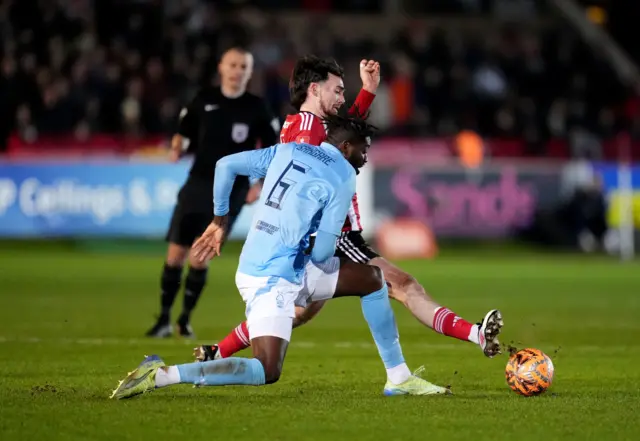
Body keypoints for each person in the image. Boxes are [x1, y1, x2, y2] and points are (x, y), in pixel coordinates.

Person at [111, 114, 450, 399]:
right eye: (364, 150)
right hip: (271, 278)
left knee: (372, 279)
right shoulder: (343, 175)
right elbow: (320, 253)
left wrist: (220, 219)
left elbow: (226, 165)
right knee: (266, 370)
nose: (365, 158)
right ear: (346, 148)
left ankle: (399, 378)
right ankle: (161, 375)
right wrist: (315, 243)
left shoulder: (288, 150)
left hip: (269, 264)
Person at [197, 55, 504, 362]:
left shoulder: (310, 126)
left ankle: (216, 352)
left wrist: (368, 90)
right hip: (336, 237)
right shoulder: (307, 129)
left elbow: (343, 138)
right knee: (402, 285)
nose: (343, 98)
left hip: (323, 239)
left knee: (294, 311)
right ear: (315, 90)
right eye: (338, 90)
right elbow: (326, 159)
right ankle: (471, 335)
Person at [145, 46, 280, 339]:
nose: (237, 71)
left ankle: (184, 320)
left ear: (249, 72)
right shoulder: (204, 99)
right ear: (221, 67)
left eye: (243, 66)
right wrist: (177, 144)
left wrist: (258, 184)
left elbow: (273, 150)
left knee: (199, 257)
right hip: (197, 184)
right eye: (232, 65)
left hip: (232, 191)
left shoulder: (257, 107)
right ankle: (164, 319)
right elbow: (184, 130)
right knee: (175, 255)